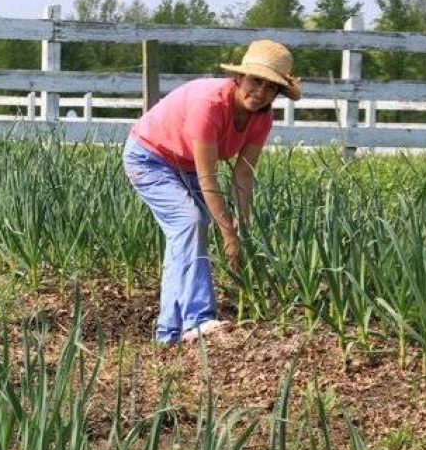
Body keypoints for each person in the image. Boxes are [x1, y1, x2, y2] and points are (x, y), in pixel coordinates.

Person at [122, 39, 301, 345]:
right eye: (255, 81)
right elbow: (209, 177)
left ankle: (168, 334)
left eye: (270, 88)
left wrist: (241, 230)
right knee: (191, 223)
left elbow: (243, 177)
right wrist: (227, 233)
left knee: (186, 236)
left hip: (187, 166)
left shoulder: (262, 117)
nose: (260, 93)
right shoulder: (210, 104)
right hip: (149, 157)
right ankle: (199, 318)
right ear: (239, 78)